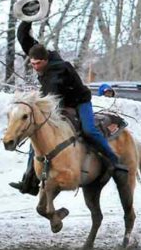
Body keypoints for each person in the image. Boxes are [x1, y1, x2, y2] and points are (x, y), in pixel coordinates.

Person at [9, 21, 127, 195]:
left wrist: (36, 98)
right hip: (60, 102)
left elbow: (51, 96)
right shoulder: (39, 55)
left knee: (88, 130)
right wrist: (28, 19)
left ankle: (114, 160)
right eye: (32, 64)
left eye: (38, 64)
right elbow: (23, 38)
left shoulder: (58, 71)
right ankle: (30, 180)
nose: (35, 67)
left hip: (79, 102)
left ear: (46, 60)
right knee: (37, 136)